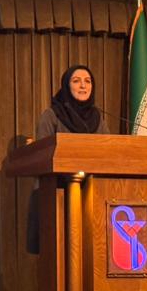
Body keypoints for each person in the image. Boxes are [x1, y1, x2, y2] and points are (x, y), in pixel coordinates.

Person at [27, 65, 109, 253]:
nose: (83, 86)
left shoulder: (97, 119)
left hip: (90, 198)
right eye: (76, 81)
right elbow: (42, 157)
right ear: (66, 85)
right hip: (56, 196)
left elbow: (108, 152)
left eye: (87, 81)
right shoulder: (51, 115)